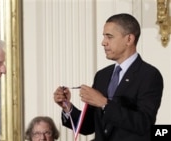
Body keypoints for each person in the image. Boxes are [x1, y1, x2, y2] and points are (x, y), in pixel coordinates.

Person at [53, 13, 163, 141]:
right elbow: (89, 126)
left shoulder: (149, 75)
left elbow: (144, 124)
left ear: (129, 39)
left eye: (109, 37)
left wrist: (104, 104)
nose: (103, 42)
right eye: (104, 37)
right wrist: (67, 107)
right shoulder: (102, 75)